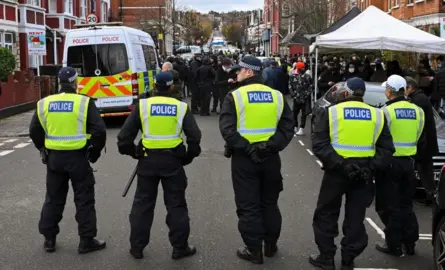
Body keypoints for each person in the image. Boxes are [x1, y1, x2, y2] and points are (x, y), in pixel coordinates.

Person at [310, 77, 394, 270]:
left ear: (346, 93)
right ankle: (348, 260)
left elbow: (320, 145)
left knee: (326, 214)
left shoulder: (330, 112)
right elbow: (387, 150)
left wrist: (341, 165)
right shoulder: (378, 115)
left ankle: (326, 257)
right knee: (356, 217)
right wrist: (370, 168)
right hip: (364, 174)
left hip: (336, 172)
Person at [117, 72, 202, 260]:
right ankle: (180, 248)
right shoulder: (180, 107)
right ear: (172, 87)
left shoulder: (143, 106)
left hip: (147, 161)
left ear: (154, 86)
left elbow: (124, 138)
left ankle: (137, 248)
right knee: (176, 205)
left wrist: (134, 152)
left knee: (142, 205)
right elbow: (195, 137)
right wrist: (187, 157)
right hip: (173, 162)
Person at [219, 56, 295, 264]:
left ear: (249, 72)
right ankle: (270, 246)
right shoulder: (277, 96)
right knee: (269, 203)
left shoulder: (234, 96)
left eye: (239, 70)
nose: (236, 73)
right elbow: (287, 128)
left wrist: (248, 148)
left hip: (244, 160)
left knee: (248, 205)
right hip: (270, 158)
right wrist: (269, 147)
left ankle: (254, 250)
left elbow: (227, 130)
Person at [29, 67, 107, 254]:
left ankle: (49, 239)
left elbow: (34, 131)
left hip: (54, 159)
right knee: (84, 199)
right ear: (75, 82)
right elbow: (99, 131)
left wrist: (43, 149)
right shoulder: (84, 102)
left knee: (53, 198)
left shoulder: (44, 103)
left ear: (58, 82)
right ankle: (86, 241)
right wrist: (93, 152)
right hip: (78, 158)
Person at [375, 75, 425, 256]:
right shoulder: (418, 111)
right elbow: (419, 134)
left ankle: (393, 245)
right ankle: (410, 244)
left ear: (389, 91)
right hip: (409, 164)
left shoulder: (386, 112)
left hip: (390, 164)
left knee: (390, 206)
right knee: (406, 205)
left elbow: (380, 137)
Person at [405, 76, 439, 206]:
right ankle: (429, 195)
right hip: (426, 140)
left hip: (425, 142)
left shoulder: (418, 100)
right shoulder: (420, 98)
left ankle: (431, 196)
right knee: (423, 170)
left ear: (410, 87)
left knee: (425, 171)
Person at [289, 61, 313, 135]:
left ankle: (301, 128)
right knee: (294, 113)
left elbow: (311, 87)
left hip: (304, 99)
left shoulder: (307, 77)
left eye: (303, 68)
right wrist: (294, 95)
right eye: (301, 68)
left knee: (304, 114)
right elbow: (290, 86)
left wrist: (306, 95)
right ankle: (295, 126)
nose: (302, 69)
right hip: (296, 98)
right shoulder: (293, 77)